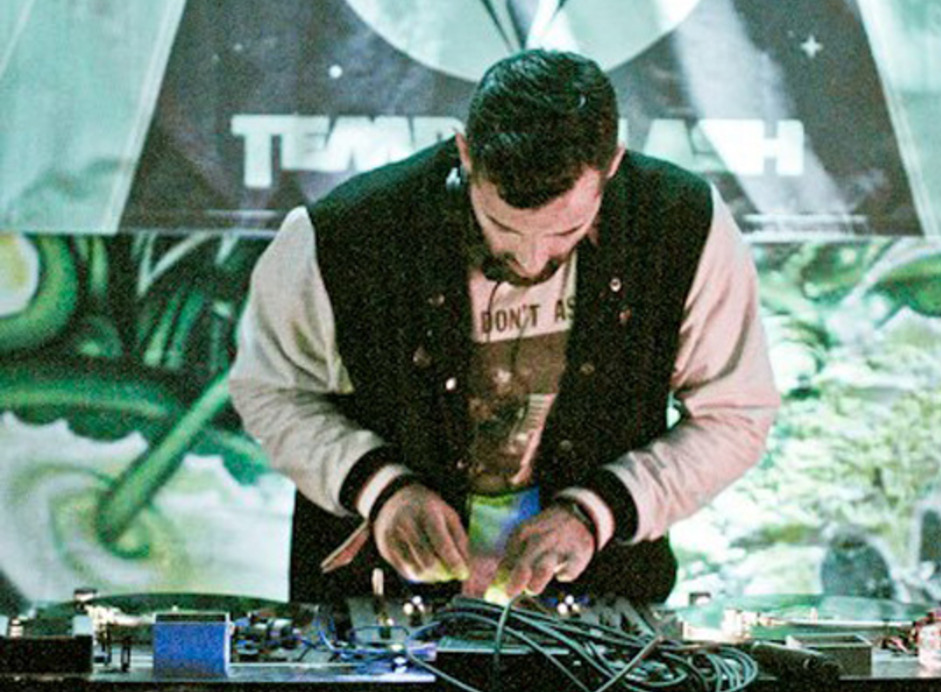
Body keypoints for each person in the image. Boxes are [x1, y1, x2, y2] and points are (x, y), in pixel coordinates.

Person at [229, 49, 779, 605]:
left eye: (565, 230)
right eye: (502, 227)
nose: (531, 260)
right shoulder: (344, 235)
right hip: (378, 598)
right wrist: (380, 488)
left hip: (599, 599)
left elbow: (735, 414)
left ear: (611, 166)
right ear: (465, 153)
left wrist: (599, 510)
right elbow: (272, 392)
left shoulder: (684, 225)